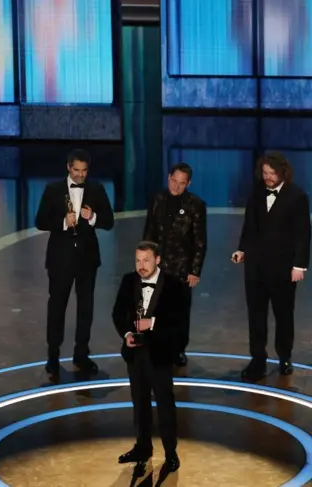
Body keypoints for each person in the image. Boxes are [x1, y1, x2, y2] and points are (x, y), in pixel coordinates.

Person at [231, 152, 311, 381]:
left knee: (283, 315)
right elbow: (249, 226)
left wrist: (300, 266)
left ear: (282, 172)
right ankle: (258, 360)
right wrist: (241, 250)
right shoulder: (256, 193)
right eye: (265, 173)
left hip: (283, 269)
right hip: (255, 268)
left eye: (272, 173)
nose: (267, 177)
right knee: (256, 317)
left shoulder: (297, 197)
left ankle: (285, 357)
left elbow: (303, 235)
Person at [35, 149, 114, 376]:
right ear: (68, 168)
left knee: (85, 309)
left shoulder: (96, 189)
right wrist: (62, 222)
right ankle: (53, 355)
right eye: (76, 171)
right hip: (60, 259)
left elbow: (109, 221)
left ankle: (81, 354)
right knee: (57, 307)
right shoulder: (53, 190)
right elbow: (40, 220)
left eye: (84, 171)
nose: (80, 175)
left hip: (87, 260)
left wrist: (93, 217)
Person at [112, 241, 182, 476]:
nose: (141, 266)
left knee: (164, 405)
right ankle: (143, 448)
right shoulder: (128, 280)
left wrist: (152, 324)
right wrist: (127, 333)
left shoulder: (173, 285)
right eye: (138, 260)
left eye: (146, 260)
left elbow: (178, 323)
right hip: (135, 355)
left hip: (160, 354)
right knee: (139, 403)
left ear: (158, 259)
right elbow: (117, 313)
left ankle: (171, 454)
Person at [142, 162, 207, 366]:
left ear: (188, 184)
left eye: (181, 183)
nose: (176, 186)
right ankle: (155, 347)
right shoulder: (157, 199)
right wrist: (144, 261)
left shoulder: (196, 205)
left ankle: (178, 349)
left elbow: (199, 240)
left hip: (181, 268)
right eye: (173, 181)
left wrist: (195, 270)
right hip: (157, 265)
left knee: (179, 311)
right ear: (168, 177)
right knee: (153, 307)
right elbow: (149, 231)